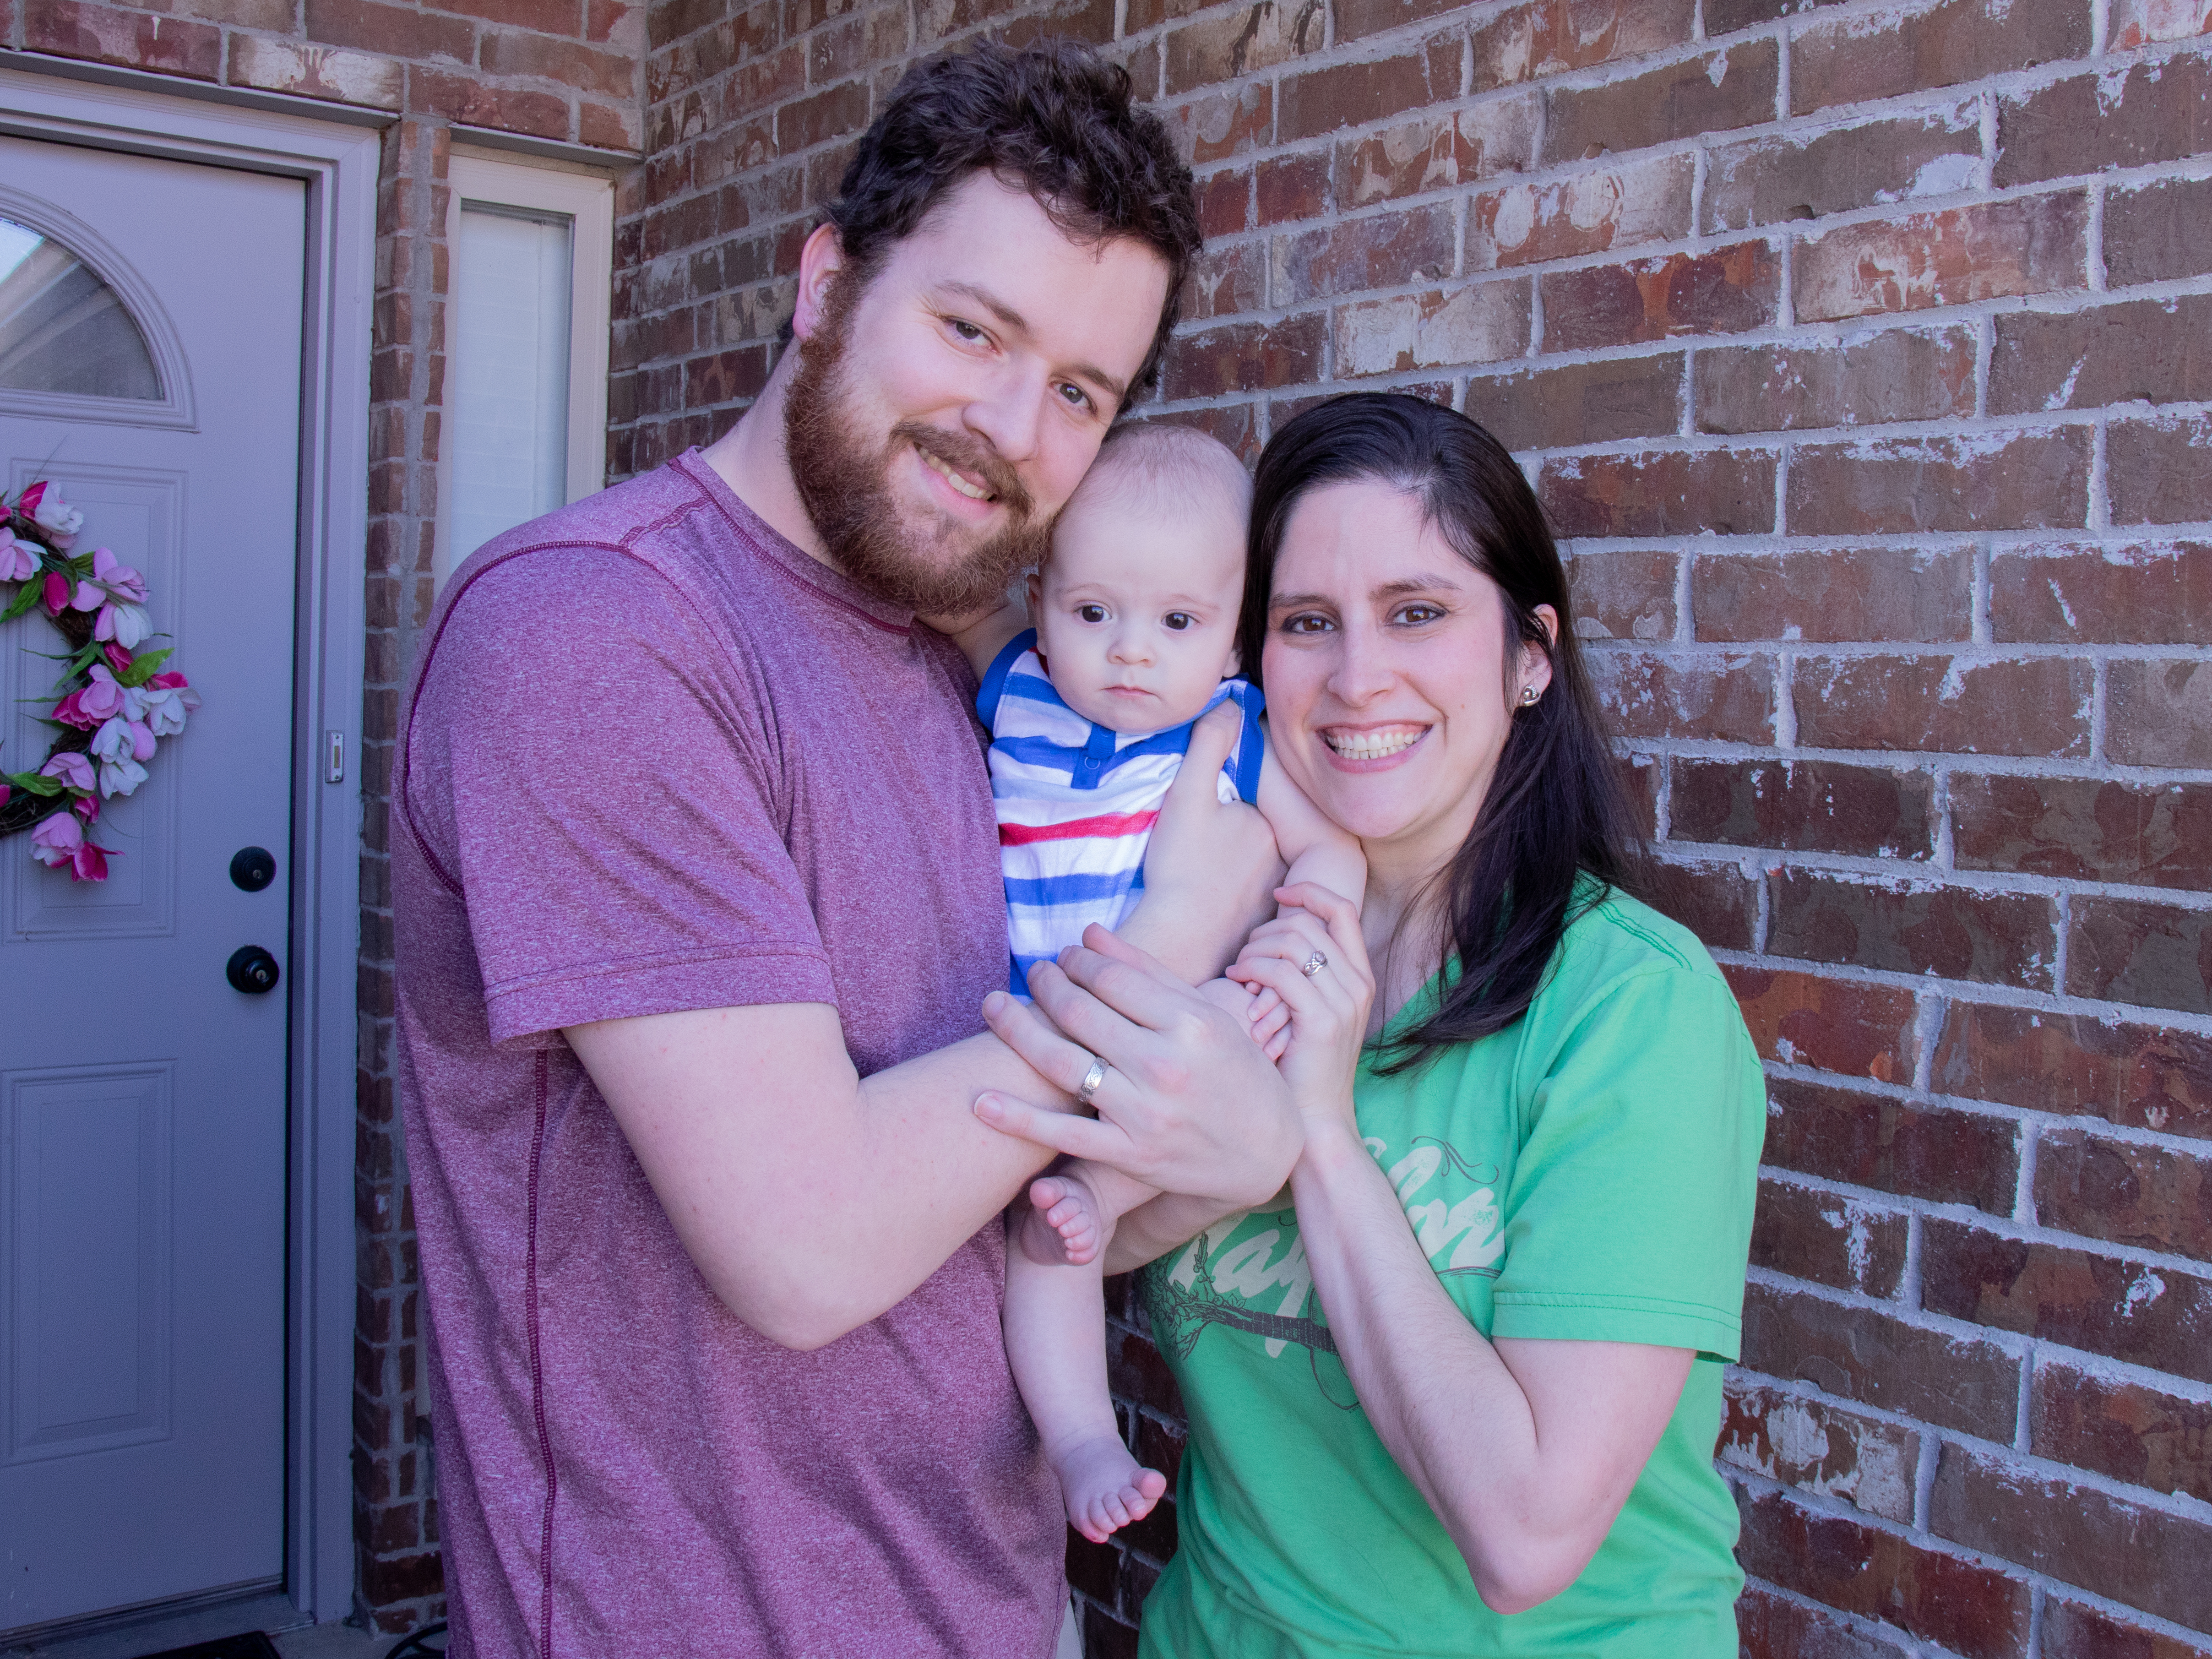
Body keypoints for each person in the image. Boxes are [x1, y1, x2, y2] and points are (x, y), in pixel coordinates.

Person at [391, 40, 1301, 1657]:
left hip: (976, 1601)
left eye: (1080, 390)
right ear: (825, 284)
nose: (1010, 425)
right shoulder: (596, 633)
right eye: (971, 328)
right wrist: (1168, 936)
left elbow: (1002, 1195)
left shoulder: (970, 680)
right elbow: (807, 1246)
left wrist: (1229, 1141)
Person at [974, 393, 1765, 1657]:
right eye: (1306, 623)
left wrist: (1321, 1137)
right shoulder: (1220, 967)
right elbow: (1058, 1240)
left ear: (1530, 655)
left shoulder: (1631, 1012)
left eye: (1418, 613)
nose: (1356, 677)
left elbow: (1525, 1541)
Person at [944, 423, 1363, 1545]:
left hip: (1165, 1044)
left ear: (1231, 635)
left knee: (1065, 1225)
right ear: (1042, 606)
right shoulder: (1017, 690)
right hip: (1037, 1037)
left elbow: (1330, 851)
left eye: (1176, 623)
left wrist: (1303, 931)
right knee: (1047, 1244)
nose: (1132, 652)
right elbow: (949, 601)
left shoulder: (1229, 734)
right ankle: (1082, 1441)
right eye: (1095, 614)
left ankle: (1108, 1200)